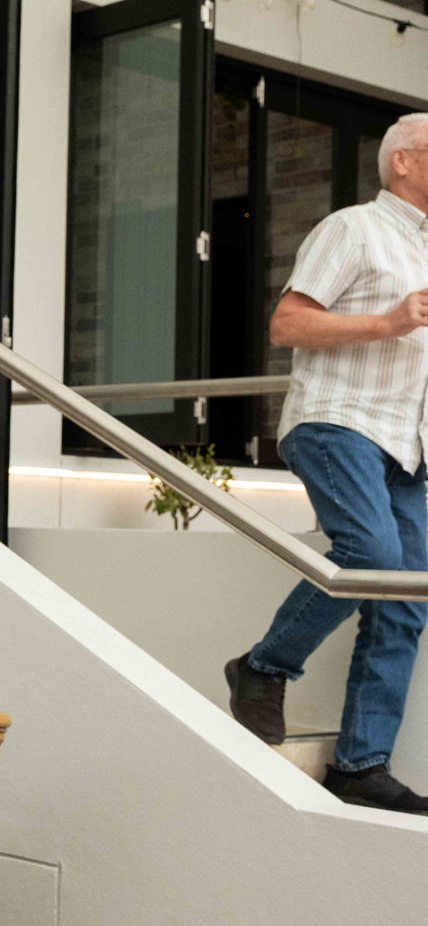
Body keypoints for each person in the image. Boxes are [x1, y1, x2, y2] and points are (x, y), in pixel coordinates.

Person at [227, 112, 428, 814]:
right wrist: (389, 321)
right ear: (403, 161)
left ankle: (360, 764)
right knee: (370, 552)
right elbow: (288, 324)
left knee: (407, 600)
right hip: (339, 422)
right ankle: (263, 667)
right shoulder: (352, 229)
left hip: (409, 445)